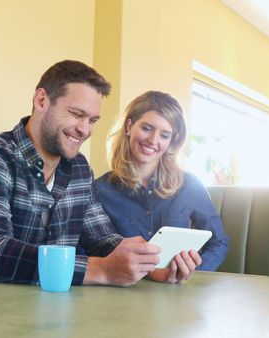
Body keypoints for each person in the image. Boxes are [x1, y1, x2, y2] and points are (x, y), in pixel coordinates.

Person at [0, 60, 161, 287]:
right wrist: (100, 270)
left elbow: (102, 238)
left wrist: (148, 263)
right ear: (41, 100)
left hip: (44, 308)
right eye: (76, 114)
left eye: (92, 120)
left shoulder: (80, 169)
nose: (85, 130)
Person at [93, 91, 230, 283]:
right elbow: (92, 249)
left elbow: (219, 242)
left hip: (177, 296)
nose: (153, 140)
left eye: (164, 135)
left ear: (172, 140)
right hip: (123, 295)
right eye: (147, 128)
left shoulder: (189, 185)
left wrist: (191, 272)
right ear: (129, 126)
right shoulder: (100, 190)